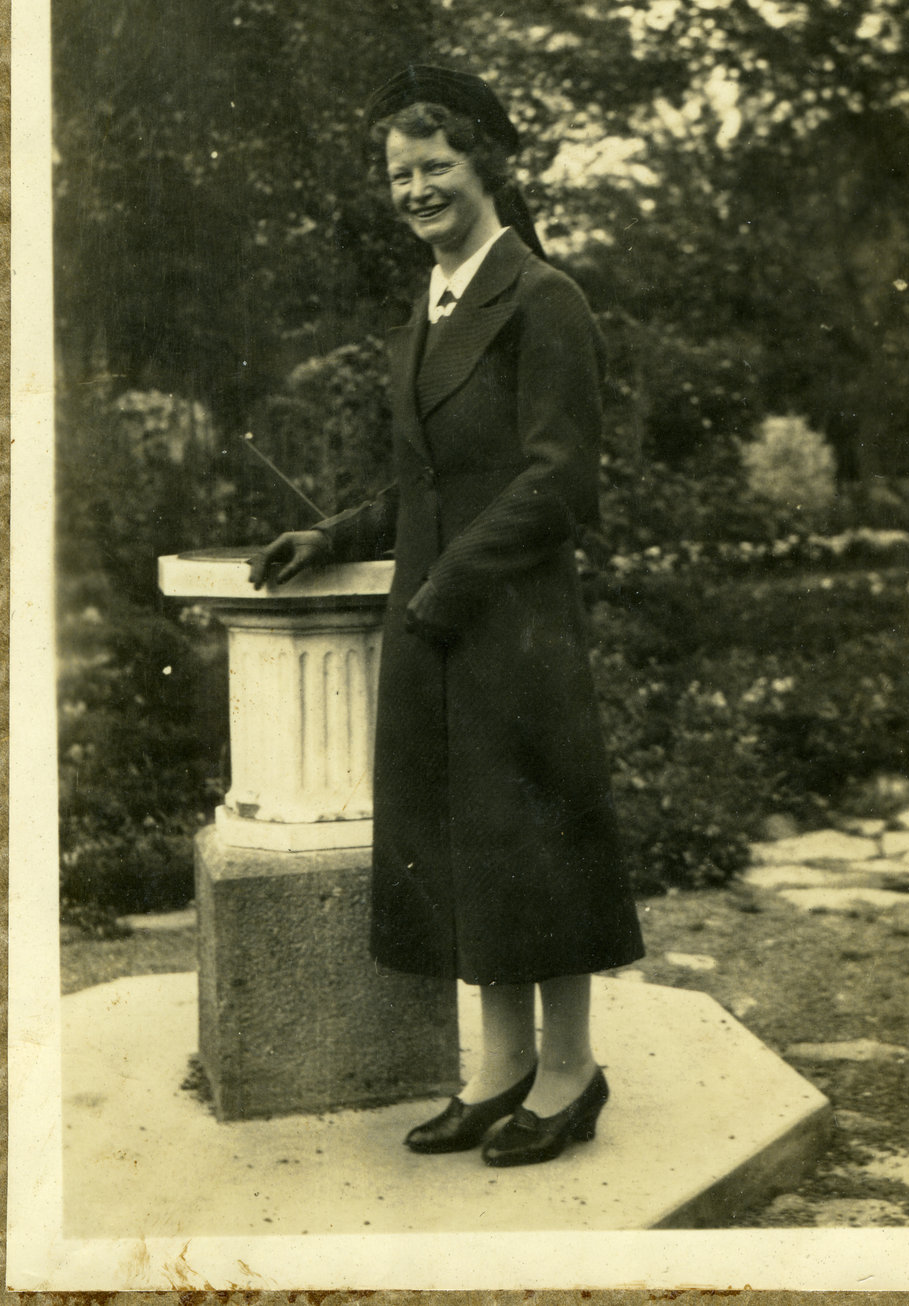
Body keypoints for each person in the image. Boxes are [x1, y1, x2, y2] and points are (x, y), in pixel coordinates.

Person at [251, 64, 644, 1167]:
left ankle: (570, 1072)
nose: (415, 189)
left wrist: (446, 588)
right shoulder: (430, 308)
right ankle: (501, 1069)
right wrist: (332, 535)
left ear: (488, 169)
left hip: (510, 621)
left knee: (535, 842)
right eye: (398, 174)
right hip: (442, 623)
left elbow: (559, 483)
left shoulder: (542, 298)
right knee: (475, 846)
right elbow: (427, 483)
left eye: (435, 166)